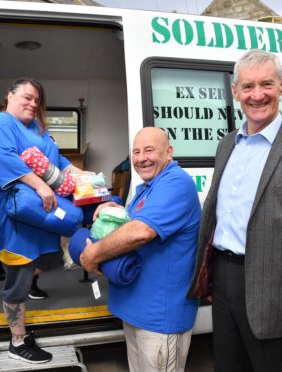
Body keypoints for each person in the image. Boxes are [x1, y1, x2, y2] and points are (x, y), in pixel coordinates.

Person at [189, 49, 282, 371]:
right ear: (235, 92)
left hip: (276, 298)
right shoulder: (226, 145)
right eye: (248, 87)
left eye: (266, 84)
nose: (257, 95)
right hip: (224, 282)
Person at [80, 127, 201, 372]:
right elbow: (130, 222)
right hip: (135, 309)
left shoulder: (177, 182)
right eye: (136, 152)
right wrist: (112, 207)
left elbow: (139, 232)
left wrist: (93, 254)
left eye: (149, 150)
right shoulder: (146, 187)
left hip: (159, 317)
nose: (141, 158)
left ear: (169, 152)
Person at [0, 78, 81, 363]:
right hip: (16, 219)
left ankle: (24, 313)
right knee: (19, 278)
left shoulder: (38, 129)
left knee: (46, 262)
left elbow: (58, 162)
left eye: (37, 100)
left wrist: (86, 178)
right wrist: (40, 186)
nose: (33, 104)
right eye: (27, 97)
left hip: (42, 214)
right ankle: (17, 340)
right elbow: (4, 159)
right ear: (9, 96)